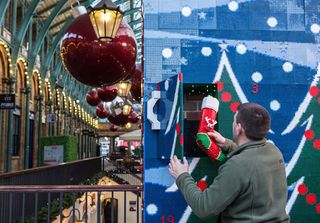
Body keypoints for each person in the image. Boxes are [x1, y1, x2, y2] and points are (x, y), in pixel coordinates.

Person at [168, 103, 290, 222]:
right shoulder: (273, 151)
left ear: (238, 129)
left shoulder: (237, 165)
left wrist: (182, 176)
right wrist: (227, 144)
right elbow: (252, 160)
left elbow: (204, 208)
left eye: (234, 120)